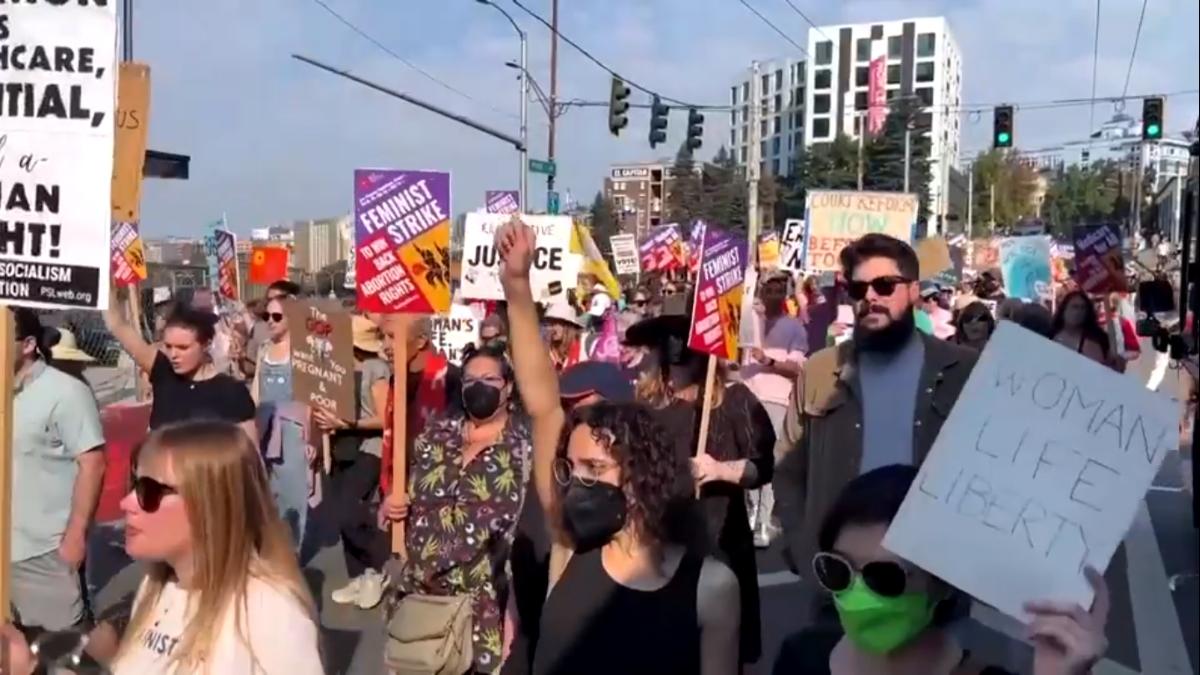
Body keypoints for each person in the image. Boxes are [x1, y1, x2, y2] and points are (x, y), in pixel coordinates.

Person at [497, 219, 740, 675]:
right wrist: (515, 286)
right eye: (571, 468)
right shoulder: (572, 547)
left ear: (639, 474)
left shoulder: (711, 588)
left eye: (594, 467)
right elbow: (545, 406)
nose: (576, 482)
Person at [0, 420, 323, 674]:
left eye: (149, 491)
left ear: (210, 505)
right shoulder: (157, 587)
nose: (126, 503)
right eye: (133, 485)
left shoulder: (270, 614)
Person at [773, 465, 1110, 675]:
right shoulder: (801, 657)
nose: (857, 595)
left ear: (942, 584)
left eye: (884, 577)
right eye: (838, 570)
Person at [773, 233, 979, 577]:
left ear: (914, 290)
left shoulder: (963, 369)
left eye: (885, 286)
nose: (870, 297)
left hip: (933, 576)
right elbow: (787, 467)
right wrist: (799, 540)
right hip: (841, 577)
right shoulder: (820, 371)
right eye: (859, 289)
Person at [381, 342, 530, 674]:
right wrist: (395, 503)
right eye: (469, 380)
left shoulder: (523, 449)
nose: (478, 387)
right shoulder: (435, 436)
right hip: (422, 598)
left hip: (484, 610)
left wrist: (515, 618)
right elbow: (412, 497)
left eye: (489, 380)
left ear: (507, 387)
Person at [11, 309, 106, 631]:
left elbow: (92, 463)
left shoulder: (66, 392)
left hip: (42, 552)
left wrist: (75, 537)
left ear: (26, 344)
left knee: (58, 650)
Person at [105, 288, 256, 438]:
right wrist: (103, 276)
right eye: (168, 346)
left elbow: (250, 451)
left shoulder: (231, 391)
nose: (173, 355)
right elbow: (117, 325)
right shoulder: (163, 372)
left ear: (206, 344)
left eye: (183, 348)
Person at [322, 315, 392, 609]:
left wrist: (346, 422)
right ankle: (357, 577)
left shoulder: (375, 368)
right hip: (342, 447)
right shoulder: (336, 368)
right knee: (338, 514)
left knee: (348, 511)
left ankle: (376, 567)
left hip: (369, 447)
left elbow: (383, 418)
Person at [740, 271, 807, 548]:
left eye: (780, 290)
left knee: (767, 461)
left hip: (775, 401)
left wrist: (767, 361)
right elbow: (735, 360)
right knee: (744, 457)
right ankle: (750, 513)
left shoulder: (794, 328)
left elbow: (796, 369)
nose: (774, 295)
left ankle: (763, 521)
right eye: (769, 289)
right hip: (745, 397)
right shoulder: (749, 322)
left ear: (787, 296)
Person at [249, 295, 312, 551]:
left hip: (292, 428)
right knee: (265, 493)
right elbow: (256, 389)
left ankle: (292, 555)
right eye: (267, 317)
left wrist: (314, 438)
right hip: (263, 425)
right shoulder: (264, 349)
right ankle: (269, 553)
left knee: (294, 495)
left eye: (277, 317)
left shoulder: (303, 350)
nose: (270, 322)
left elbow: (311, 397)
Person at [1052, 290, 1123, 372]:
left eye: (1083, 308)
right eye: (1075, 307)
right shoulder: (1050, 335)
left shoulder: (1092, 342)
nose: (1079, 312)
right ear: (1064, 309)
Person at [543, 301, 587, 372]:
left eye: (554, 323)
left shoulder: (584, 345)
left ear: (567, 326)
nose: (550, 328)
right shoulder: (549, 350)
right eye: (548, 323)